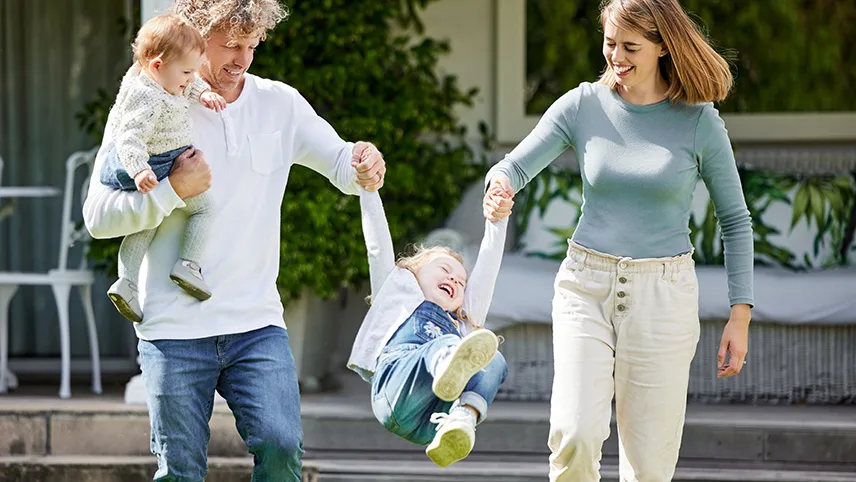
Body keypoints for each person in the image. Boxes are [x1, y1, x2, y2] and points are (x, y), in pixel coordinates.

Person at [82, 0, 386, 480]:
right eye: (229, 45)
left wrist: (363, 161)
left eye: (251, 46)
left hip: (257, 324)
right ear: (197, 37)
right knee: (181, 473)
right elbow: (97, 218)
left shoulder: (279, 104)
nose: (242, 59)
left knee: (283, 449)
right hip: (172, 331)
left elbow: (341, 163)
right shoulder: (148, 103)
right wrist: (170, 191)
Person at [482, 0, 753, 480]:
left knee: (648, 466)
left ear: (663, 46)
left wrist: (740, 314)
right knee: (574, 434)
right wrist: (499, 188)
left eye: (631, 47)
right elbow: (515, 166)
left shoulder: (698, 121)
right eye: (610, 43)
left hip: (663, 296)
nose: (616, 56)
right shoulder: (583, 104)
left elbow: (735, 220)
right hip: (586, 286)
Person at [347, 177, 510, 467]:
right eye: (445, 270)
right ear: (413, 272)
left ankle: (462, 421)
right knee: (448, 343)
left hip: (432, 417)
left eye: (461, 282)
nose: (453, 279)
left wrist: (498, 221)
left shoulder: (461, 320)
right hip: (396, 391)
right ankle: (446, 367)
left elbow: (487, 270)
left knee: (493, 358)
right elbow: (377, 246)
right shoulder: (396, 293)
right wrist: (368, 190)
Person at [100, 13, 228, 323]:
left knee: (149, 222)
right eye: (186, 72)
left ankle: (126, 282)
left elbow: (190, 84)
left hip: (155, 160)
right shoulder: (147, 98)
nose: (190, 79)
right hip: (152, 163)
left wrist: (204, 93)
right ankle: (188, 265)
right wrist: (139, 170)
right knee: (204, 209)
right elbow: (129, 138)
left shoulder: (154, 76)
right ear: (157, 65)